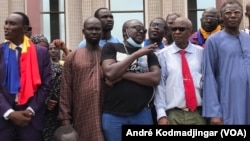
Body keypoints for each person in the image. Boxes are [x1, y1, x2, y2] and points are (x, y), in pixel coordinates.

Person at [101, 19, 161, 141]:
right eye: (137, 28)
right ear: (125, 31)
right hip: (114, 114)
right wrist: (136, 54)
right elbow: (110, 73)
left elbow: (155, 78)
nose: (141, 31)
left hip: (142, 113)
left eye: (143, 30)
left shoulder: (149, 53)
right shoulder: (112, 47)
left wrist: (123, 75)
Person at [0, 12, 51, 141]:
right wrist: (10, 113)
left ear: (24, 29)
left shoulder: (41, 53)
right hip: (4, 120)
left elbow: (46, 85)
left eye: (12, 24)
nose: (6, 27)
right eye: (6, 23)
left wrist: (30, 110)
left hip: (30, 120)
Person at [202, 0, 250, 124]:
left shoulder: (248, 39)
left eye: (236, 12)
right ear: (221, 17)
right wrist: (214, 112)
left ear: (242, 15)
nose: (233, 15)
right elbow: (209, 76)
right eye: (228, 13)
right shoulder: (213, 41)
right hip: (229, 101)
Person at [58, 16, 105, 141]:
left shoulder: (108, 55)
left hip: (105, 112)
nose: (94, 32)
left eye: (97, 29)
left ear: (102, 31)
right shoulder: (72, 57)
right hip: (81, 114)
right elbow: (66, 90)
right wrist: (65, 120)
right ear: (83, 32)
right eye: (90, 29)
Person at [154, 16, 206, 125]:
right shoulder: (162, 55)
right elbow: (160, 87)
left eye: (181, 29)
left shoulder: (201, 53)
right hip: (173, 115)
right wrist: (161, 114)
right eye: (174, 29)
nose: (177, 32)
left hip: (198, 114)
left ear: (190, 32)